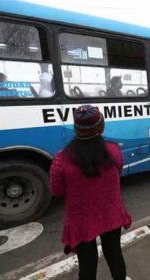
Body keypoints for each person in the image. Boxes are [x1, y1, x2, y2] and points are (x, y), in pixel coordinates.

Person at [50, 105, 132, 280]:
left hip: (81, 220)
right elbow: (117, 172)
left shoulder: (61, 158)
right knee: (114, 254)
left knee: (87, 264)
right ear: (101, 126)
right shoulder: (114, 149)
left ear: (75, 128)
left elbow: (57, 191)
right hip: (111, 213)